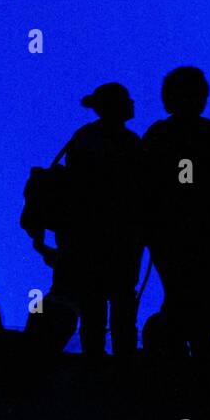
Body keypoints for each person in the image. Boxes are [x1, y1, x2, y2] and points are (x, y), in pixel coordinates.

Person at [142, 66, 210, 359]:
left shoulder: (156, 134)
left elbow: (141, 187)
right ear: (204, 97)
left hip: (167, 233)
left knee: (179, 297)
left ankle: (181, 372)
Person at [58, 83, 146, 359]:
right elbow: (142, 191)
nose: (133, 103)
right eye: (127, 99)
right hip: (123, 238)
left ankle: (93, 364)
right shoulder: (131, 143)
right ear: (117, 106)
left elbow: (72, 189)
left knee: (92, 302)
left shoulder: (82, 138)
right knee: (122, 301)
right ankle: (124, 365)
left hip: (85, 238)